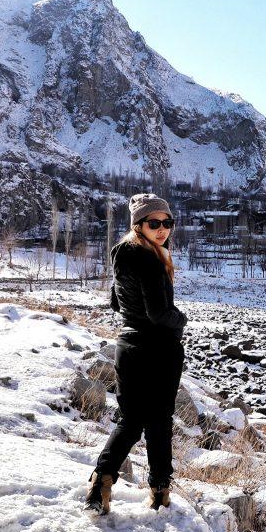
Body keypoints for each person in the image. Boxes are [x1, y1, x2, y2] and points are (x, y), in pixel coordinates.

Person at [85, 193, 187, 515]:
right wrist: (181, 319)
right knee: (158, 423)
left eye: (167, 223)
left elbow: (115, 302)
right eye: (154, 223)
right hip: (158, 351)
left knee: (129, 422)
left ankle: (100, 484)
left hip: (128, 348)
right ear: (139, 224)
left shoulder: (121, 252)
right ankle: (159, 494)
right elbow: (160, 314)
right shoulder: (151, 257)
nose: (162, 229)